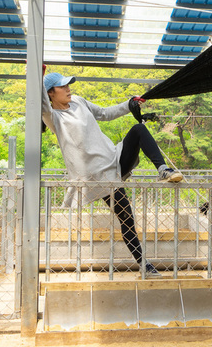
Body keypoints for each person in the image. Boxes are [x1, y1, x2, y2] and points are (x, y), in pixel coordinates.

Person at [41, 71, 183, 278]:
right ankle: (144, 265)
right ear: (50, 93)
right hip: (98, 176)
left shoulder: (79, 101)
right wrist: (37, 74)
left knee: (138, 130)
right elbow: (41, 105)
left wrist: (129, 103)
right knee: (126, 217)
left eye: (68, 84)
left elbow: (105, 113)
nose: (68, 88)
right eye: (63, 86)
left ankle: (163, 170)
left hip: (114, 159)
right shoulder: (53, 118)